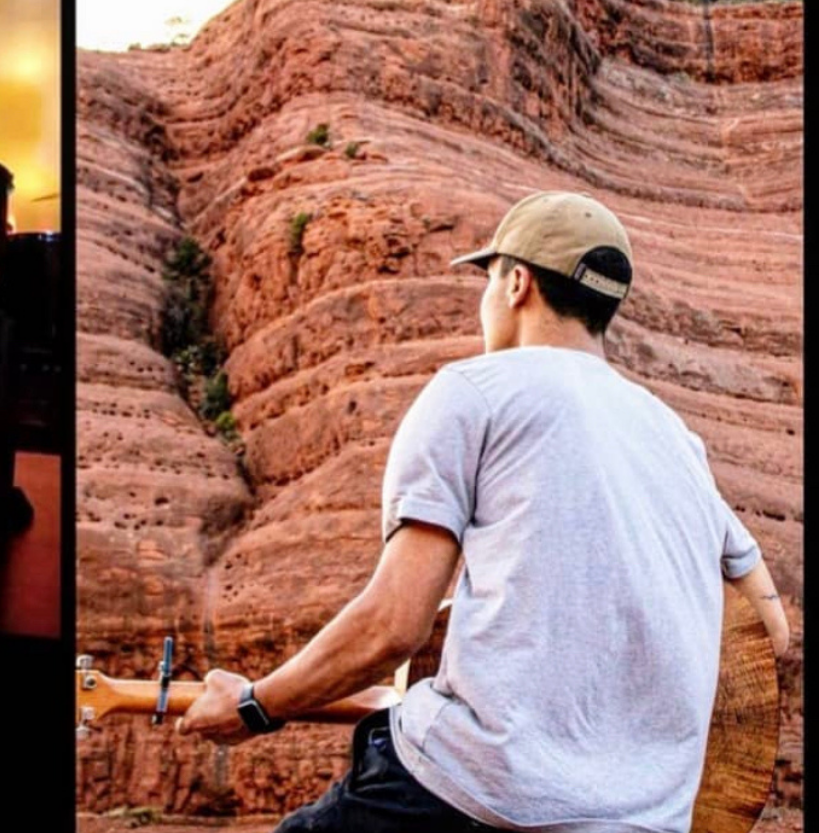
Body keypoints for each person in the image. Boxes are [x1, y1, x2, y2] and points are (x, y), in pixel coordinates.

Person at [178, 191, 789, 832]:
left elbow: (392, 624)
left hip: (469, 797)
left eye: (487, 279)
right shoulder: (677, 441)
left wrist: (253, 706)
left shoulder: (474, 393)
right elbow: (765, 633)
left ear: (516, 282)